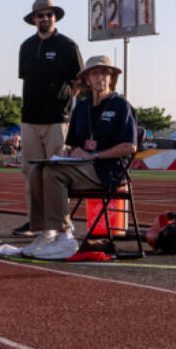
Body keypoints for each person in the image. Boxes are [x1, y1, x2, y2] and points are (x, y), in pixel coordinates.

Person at [22, 56, 139, 260]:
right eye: (95, 72)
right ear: (86, 78)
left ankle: (65, 236)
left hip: (108, 171)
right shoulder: (81, 108)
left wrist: (94, 154)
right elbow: (74, 144)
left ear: (111, 78)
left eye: (105, 72)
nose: (100, 77)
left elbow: (130, 146)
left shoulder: (121, 106)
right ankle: (45, 234)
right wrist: (69, 152)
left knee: (52, 173)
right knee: (36, 170)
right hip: (82, 167)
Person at [14, 0, 83, 237]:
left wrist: (64, 102)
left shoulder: (67, 45)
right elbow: (27, 79)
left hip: (57, 119)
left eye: (48, 15)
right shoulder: (26, 46)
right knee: (32, 174)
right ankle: (35, 222)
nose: (44, 19)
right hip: (30, 119)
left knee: (57, 173)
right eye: (40, 15)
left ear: (55, 17)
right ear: (33, 19)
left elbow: (79, 80)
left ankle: (63, 224)